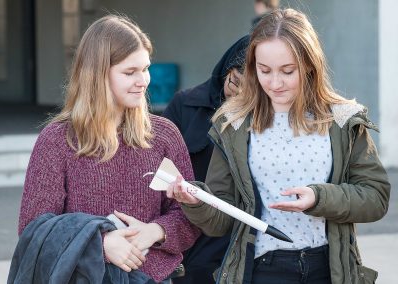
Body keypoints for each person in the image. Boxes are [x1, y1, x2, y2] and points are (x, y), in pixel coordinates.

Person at [167, 8, 390, 284]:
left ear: (310, 64)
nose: (275, 83)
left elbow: (376, 198)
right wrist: (196, 201)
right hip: (262, 270)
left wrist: (319, 198)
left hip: (331, 269)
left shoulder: (343, 120)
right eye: (264, 71)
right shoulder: (233, 124)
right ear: (252, 67)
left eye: (287, 71)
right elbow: (220, 220)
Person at [16, 15, 200, 283]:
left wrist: (157, 230)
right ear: (97, 74)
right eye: (129, 72)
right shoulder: (57, 140)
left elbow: (189, 217)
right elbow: (34, 230)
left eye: (145, 68)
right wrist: (100, 245)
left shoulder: (163, 135)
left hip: (155, 279)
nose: (143, 80)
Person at [162, 36, 249, 284]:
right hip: (183, 227)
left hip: (228, 237)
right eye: (234, 82)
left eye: (249, 90)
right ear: (226, 70)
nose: (237, 94)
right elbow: (153, 166)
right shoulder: (185, 104)